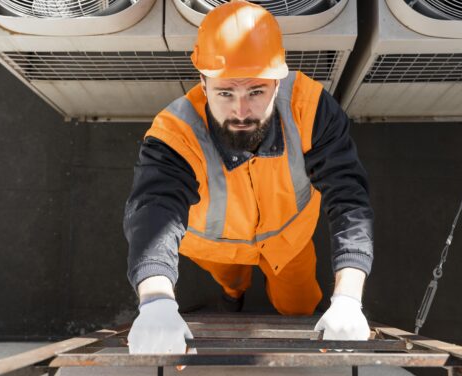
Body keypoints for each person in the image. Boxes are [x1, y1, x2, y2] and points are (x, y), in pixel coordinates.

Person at [123, 0, 374, 354]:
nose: (241, 112)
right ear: (203, 83)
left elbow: (349, 198)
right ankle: (233, 294)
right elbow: (153, 210)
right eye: (225, 93)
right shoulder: (174, 133)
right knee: (231, 279)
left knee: (300, 305)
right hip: (216, 246)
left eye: (255, 92)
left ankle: (251, 295)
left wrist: (348, 297)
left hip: (289, 240)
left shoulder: (311, 108)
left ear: (277, 80)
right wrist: (155, 300)